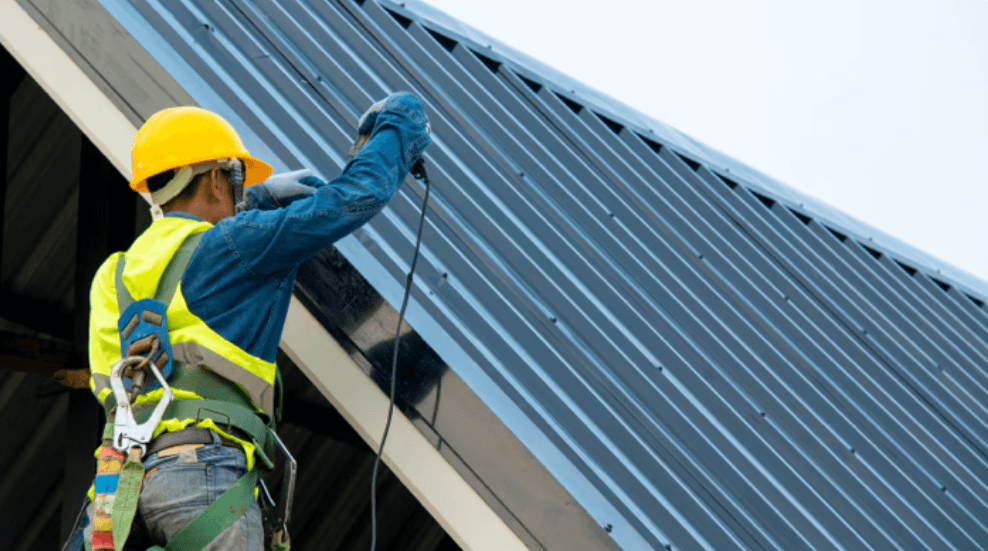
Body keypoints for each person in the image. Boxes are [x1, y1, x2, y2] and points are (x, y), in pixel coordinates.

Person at [63, 91, 432, 551]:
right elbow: (352, 198)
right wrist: (400, 127)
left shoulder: (113, 274)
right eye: (236, 181)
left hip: (116, 493)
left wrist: (254, 199)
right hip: (202, 474)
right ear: (218, 179)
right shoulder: (236, 246)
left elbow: (107, 380)